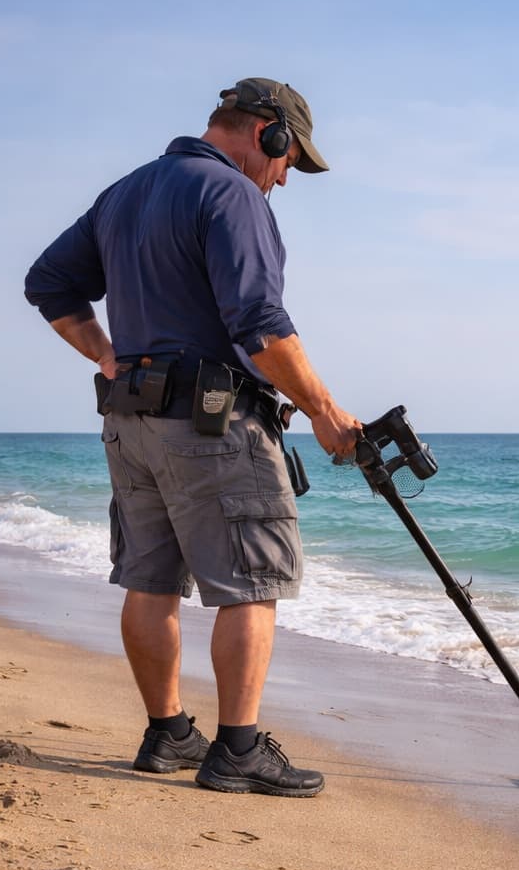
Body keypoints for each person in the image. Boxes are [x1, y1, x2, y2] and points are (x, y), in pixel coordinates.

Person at [24, 78, 360, 798]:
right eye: (289, 161)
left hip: (131, 423)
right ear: (268, 133)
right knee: (251, 586)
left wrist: (110, 356)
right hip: (210, 425)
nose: (283, 179)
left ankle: (168, 734)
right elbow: (261, 325)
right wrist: (326, 412)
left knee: (151, 580)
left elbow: (49, 282)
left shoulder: (125, 193)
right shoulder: (233, 195)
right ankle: (237, 750)